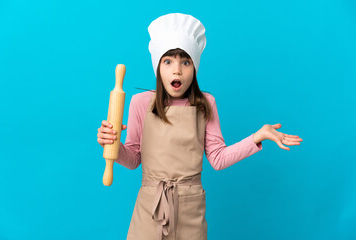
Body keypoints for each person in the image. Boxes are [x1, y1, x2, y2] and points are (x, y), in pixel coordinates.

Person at [97, 13, 303, 240]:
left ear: (194, 68)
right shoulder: (140, 103)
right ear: (158, 68)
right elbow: (134, 158)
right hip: (151, 207)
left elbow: (218, 158)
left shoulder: (206, 104)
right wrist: (113, 145)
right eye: (168, 62)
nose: (177, 70)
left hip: (190, 207)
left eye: (185, 62)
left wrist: (257, 136)